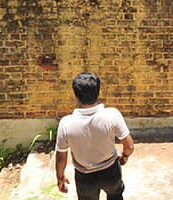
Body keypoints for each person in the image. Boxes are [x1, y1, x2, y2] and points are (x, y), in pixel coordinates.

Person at [56, 72, 135, 200]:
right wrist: (125, 155)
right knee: (115, 196)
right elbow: (129, 146)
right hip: (110, 172)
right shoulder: (112, 115)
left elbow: (61, 156)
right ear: (98, 93)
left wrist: (60, 177)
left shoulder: (65, 123)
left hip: (84, 177)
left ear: (76, 96)